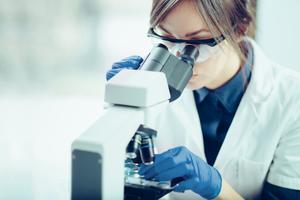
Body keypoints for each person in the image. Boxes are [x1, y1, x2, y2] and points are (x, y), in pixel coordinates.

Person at [106, 0, 300, 199]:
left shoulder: (292, 100)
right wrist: (121, 106)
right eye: (167, 37)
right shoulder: (154, 84)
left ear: (240, 29)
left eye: (198, 42)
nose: (179, 56)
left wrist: (217, 188)